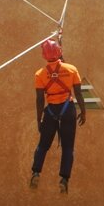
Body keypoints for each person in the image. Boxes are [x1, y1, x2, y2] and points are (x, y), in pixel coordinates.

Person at [29, 39, 86, 193]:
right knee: (68, 147)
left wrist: (39, 119)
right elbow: (78, 93)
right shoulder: (72, 69)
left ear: (44, 55)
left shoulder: (39, 74)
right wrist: (83, 111)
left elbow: (40, 99)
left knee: (43, 145)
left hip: (51, 111)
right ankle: (64, 179)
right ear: (59, 51)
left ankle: (36, 172)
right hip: (67, 111)